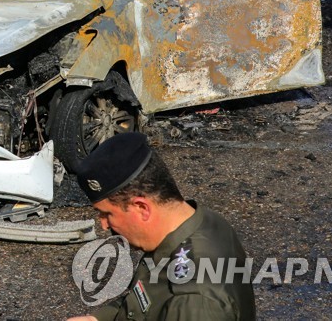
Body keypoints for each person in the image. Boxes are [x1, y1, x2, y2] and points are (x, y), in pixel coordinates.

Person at [67, 133, 256, 321]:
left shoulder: (194, 303)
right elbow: (145, 301)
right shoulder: (196, 222)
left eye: (107, 213)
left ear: (141, 208)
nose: (103, 223)